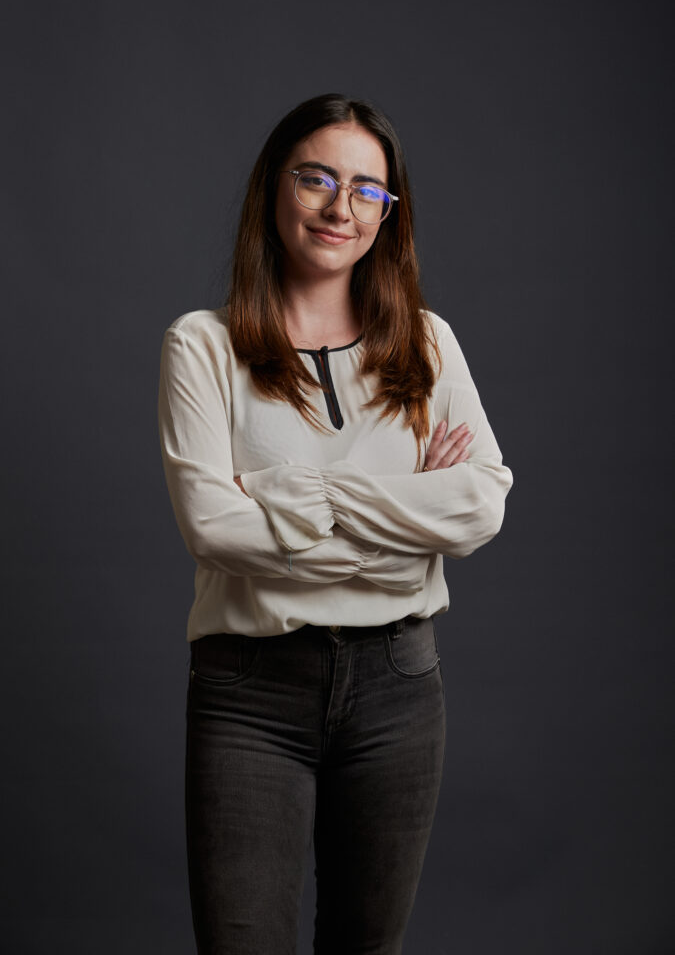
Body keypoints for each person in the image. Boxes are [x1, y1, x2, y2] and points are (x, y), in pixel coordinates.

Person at [157, 93, 513, 955]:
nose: (338, 207)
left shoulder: (426, 343)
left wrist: (289, 494)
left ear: (389, 215)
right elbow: (212, 526)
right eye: (316, 178)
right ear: (273, 190)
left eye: (366, 189)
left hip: (398, 686)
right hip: (250, 693)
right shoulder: (202, 346)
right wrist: (403, 519)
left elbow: (478, 506)